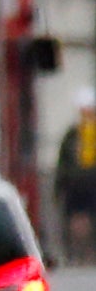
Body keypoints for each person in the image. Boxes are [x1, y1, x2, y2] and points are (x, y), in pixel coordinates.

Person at [59, 83, 96, 265]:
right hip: (77, 185)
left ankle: (85, 254)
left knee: (82, 217)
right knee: (78, 218)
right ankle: (81, 254)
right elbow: (63, 163)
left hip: (86, 184)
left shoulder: (75, 134)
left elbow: (62, 164)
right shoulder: (73, 134)